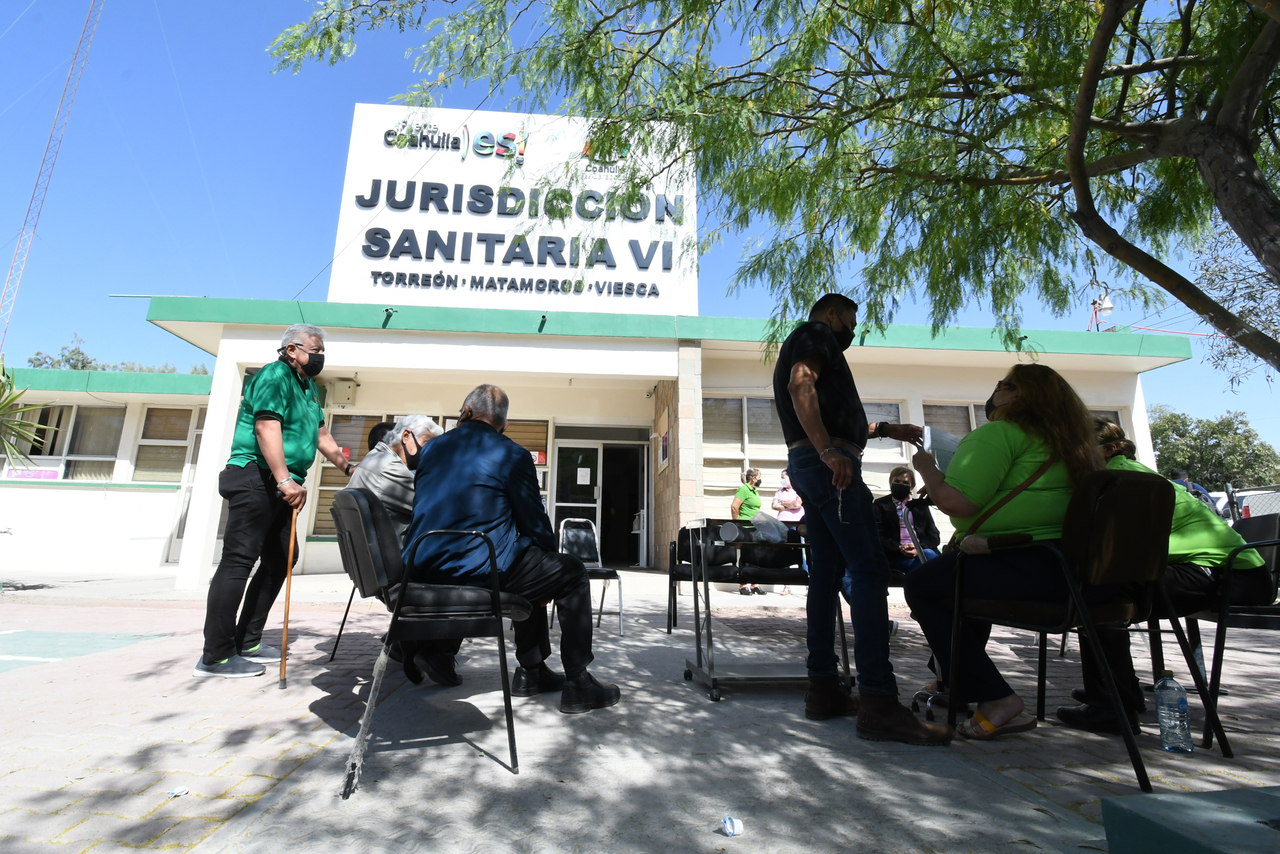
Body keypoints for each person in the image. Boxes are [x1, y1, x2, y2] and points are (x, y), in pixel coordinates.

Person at [774, 292, 950, 742]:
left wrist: (887, 430)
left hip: (815, 464)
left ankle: (824, 689)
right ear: (832, 314)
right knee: (869, 571)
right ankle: (878, 701)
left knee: (827, 577)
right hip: (831, 466)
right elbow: (801, 385)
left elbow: (834, 413)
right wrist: (830, 449)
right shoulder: (816, 334)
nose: (853, 330)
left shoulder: (808, 342)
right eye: (850, 321)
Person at [904, 363, 1106, 739]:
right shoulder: (1072, 445)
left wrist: (927, 468)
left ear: (1018, 395)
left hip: (1024, 564)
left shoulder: (999, 433)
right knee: (953, 579)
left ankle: (996, 698)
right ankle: (959, 684)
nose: (995, 390)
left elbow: (958, 503)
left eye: (1003, 384)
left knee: (922, 585)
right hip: (1071, 571)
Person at [402, 384, 620, 714]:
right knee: (569, 572)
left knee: (524, 554)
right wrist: (548, 563)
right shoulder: (512, 454)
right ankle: (578, 682)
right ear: (503, 425)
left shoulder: (431, 450)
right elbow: (532, 519)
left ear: (466, 413)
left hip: (422, 564)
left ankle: (531, 671)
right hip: (476, 568)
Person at [1055, 420, 1271, 734]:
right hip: (1215, 571)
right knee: (1098, 589)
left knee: (1101, 592)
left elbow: (1126, 548)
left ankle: (1113, 707)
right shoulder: (1117, 475)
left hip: (1232, 577)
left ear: (1110, 449)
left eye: (1075, 449)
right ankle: (1117, 693)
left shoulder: (1124, 477)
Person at [194, 323, 354, 679]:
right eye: (315, 349)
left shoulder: (307, 387)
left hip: (281, 484)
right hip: (256, 477)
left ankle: (247, 640)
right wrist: (284, 479)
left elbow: (320, 433)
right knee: (238, 560)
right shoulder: (273, 375)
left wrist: (347, 466)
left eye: (323, 351)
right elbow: (267, 427)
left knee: (284, 556)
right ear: (292, 349)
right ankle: (215, 656)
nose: (320, 356)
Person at [348, 414, 443, 540]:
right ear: (406, 436)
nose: (430, 452)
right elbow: (436, 508)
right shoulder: (389, 467)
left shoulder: (374, 457)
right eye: (426, 444)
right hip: (399, 554)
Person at [872, 466, 940, 574]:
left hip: (922, 551)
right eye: (897, 481)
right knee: (929, 565)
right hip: (896, 555)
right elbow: (877, 535)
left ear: (911, 487)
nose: (900, 485)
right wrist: (899, 547)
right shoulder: (880, 505)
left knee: (928, 555)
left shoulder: (919, 506)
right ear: (891, 482)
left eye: (905, 483)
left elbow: (934, 535)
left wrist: (918, 548)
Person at [732, 468, 765, 595]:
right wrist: (737, 524)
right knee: (746, 555)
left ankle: (754, 584)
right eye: (759, 477)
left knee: (756, 555)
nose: (760, 480)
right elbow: (734, 506)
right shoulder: (744, 489)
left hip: (756, 526)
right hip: (746, 527)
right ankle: (743, 584)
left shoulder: (754, 490)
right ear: (753, 478)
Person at [773, 469, 805, 592]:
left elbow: (797, 504)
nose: (783, 480)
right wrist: (789, 504)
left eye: (784, 477)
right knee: (784, 554)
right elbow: (774, 505)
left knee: (801, 552)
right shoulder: (779, 491)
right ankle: (786, 585)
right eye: (781, 477)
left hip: (796, 525)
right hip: (782, 524)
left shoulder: (798, 490)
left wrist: (783, 504)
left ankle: (807, 583)